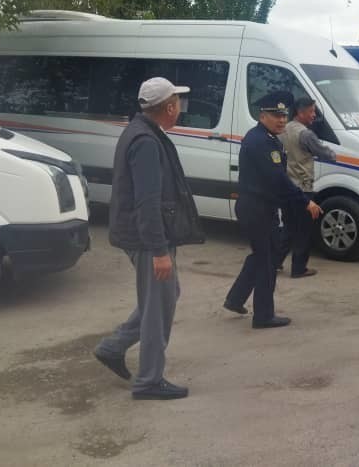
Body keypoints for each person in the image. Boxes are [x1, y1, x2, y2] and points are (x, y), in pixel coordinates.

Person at [94, 77, 204, 400]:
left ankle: (113, 347)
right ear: (169, 107)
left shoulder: (144, 131)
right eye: (178, 102)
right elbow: (147, 202)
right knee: (158, 308)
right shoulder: (145, 141)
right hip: (147, 239)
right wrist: (158, 250)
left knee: (165, 296)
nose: (180, 107)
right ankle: (148, 381)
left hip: (143, 235)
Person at [224, 91, 322, 328]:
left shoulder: (266, 138)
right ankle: (263, 316)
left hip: (258, 206)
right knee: (267, 261)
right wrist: (305, 201)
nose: (281, 120)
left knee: (262, 255)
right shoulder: (262, 142)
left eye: (284, 115)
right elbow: (278, 180)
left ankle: (235, 299)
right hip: (257, 209)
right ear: (262, 116)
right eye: (276, 115)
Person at [276, 96, 337, 278]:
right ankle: (299, 268)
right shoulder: (306, 134)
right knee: (304, 230)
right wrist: (333, 153)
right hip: (303, 188)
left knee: (288, 226)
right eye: (311, 111)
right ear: (300, 112)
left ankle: (274, 262)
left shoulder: (283, 129)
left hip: (286, 186)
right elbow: (326, 154)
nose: (313, 115)